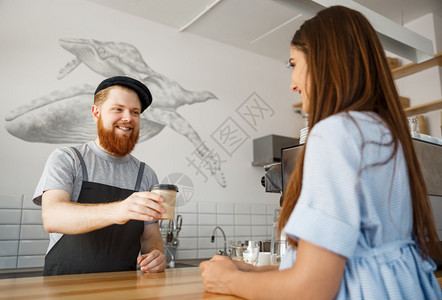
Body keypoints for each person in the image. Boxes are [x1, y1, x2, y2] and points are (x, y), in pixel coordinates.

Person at [200, 6, 442, 299]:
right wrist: (250, 271)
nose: (292, 83)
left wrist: (228, 281)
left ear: (323, 62)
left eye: (294, 64)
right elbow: (351, 265)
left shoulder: (335, 133)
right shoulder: (385, 134)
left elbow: (311, 288)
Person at [33, 76, 167, 275]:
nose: (128, 118)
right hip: (63, 288)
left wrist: (156, 254)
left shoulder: (146, 174)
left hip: (125, 289)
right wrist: (118, 210)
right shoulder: (68, 159)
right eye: (118, 109)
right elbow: (52, 217)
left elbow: (150, 235)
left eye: (135, 112)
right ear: (96, 113)